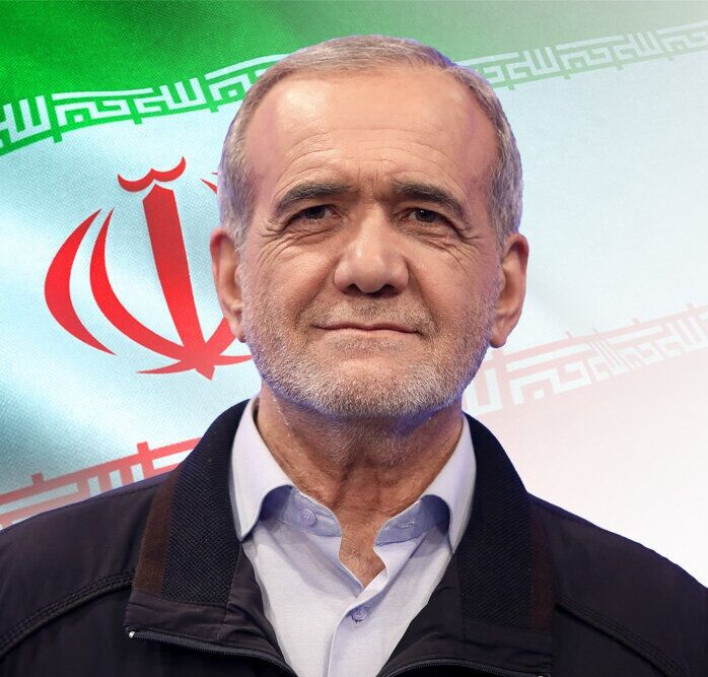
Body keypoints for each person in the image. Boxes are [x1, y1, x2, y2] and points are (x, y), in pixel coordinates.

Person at [0, 35, 706, 677]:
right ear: (233, 280)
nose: (370, 268)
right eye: (314, 214)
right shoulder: (22, 603)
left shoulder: (669, 636)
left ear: (506, 288)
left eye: (426, 216)